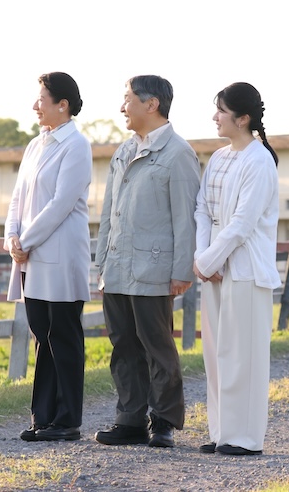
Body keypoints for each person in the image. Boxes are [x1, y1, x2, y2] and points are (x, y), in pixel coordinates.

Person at [94, 75, 201, 448]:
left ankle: (165, 421)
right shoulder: (123, 150)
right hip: (118, 267)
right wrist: (101, 262)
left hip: (155, 269)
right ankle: (130, 420)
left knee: (157, 345)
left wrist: (181, 271)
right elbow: (109, 212)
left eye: (127, 100)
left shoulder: (178, 153)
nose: (123, 107)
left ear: (151, 104)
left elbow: (185, 218)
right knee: (123, 345)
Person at [4, 72, 92, 442]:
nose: (35, 105)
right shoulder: (34, 145)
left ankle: (67, 419)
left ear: (63, 104)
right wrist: (12, 236)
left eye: (42, 98)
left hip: (58, 253)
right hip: (30, 255)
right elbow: (17, 198)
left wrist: (27, 239)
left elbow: (61, 204)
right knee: (42, 334)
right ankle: (43, 416)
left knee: (63, 335)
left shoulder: (77, 145)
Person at [193, 82, 280, 456]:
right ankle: (221, 432)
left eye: (222, 111)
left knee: (242, 355)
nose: (215, 117)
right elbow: (202, 211)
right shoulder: (218, 157)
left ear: (242, 119)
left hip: (245, 270)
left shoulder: (259, 161)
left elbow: (243, 223)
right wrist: (203, 259)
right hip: (214, 268)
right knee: (216, 355)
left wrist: (207, 260)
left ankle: (244, 438)